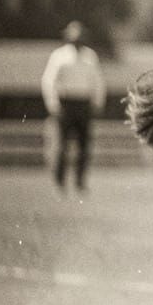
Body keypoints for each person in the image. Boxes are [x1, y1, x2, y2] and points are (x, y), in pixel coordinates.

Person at [40, 21, 106, 192]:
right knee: (62, 145)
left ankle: (80, 182)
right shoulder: (59, 56)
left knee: (84, 146)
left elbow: (98, 81)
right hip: (66, 103)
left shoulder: (90, 56)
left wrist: (97, 102)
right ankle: (60, 182)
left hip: (83, 104)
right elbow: (49, 80)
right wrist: (53, 103)